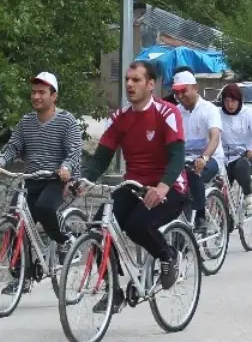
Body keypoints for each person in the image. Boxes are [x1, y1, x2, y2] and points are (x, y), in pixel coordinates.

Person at [80, 60, 187, 312]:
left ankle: (167, 255)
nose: (129, 84)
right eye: (127, 79)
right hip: (133, 185)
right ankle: (113, 290)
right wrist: (83, 181)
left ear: (151, 85)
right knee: (98, 228)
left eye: (136, 80)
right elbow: (101, 158)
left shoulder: (168, 113)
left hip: (169, 186)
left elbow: (177, 158)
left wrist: (161, 188)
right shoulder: (119, 118)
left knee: (136, 226)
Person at [0, 72, 84, 293]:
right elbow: (13, 146)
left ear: (53, 96)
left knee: (45, 207)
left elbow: (75, 151)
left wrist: (66, 168)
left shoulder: (66, 121)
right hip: (32, 179)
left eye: (42, 92)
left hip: (57, 180)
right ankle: (21, 277)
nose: (36, 96)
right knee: (13, 220)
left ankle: (65, 239)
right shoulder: (26, 122)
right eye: (34, 92)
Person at [172, 70, 222, 232]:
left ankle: (201, 216)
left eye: (183, 90)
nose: (180, 95)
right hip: (184, 160)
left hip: (210, 159)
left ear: (195, 88)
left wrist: (204, 157)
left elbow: (215, 137)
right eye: (176, 92)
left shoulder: (209, 110)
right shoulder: (175, 112)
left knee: (193, 172)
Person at [218, 82, 252, 213]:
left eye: (233, 101)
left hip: (245, 155)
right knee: (216, 183)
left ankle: (248, 197)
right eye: (226, 101)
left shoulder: (248, 113)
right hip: (223, 157)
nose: (229, 105)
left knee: (241, 168)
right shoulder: (216, 113)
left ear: (239, 101)